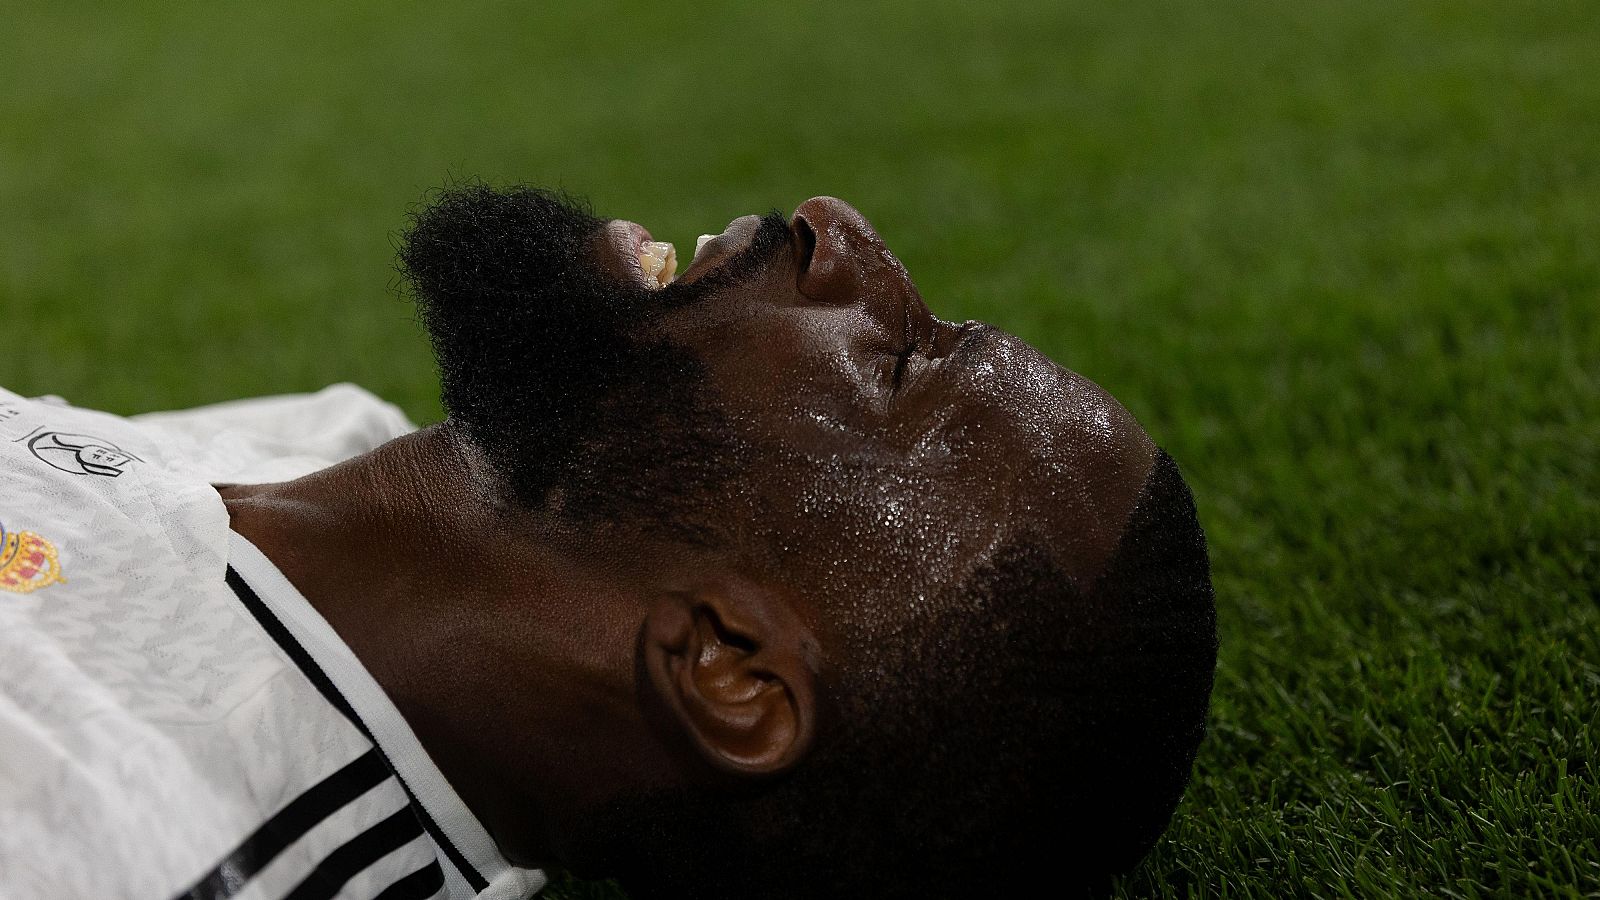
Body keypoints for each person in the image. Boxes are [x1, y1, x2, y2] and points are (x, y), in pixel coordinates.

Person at [0, 186, 1218, 900]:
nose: (836, 230)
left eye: (896, 369)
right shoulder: (325, 448)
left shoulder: (127, 836)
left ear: (726, 671)